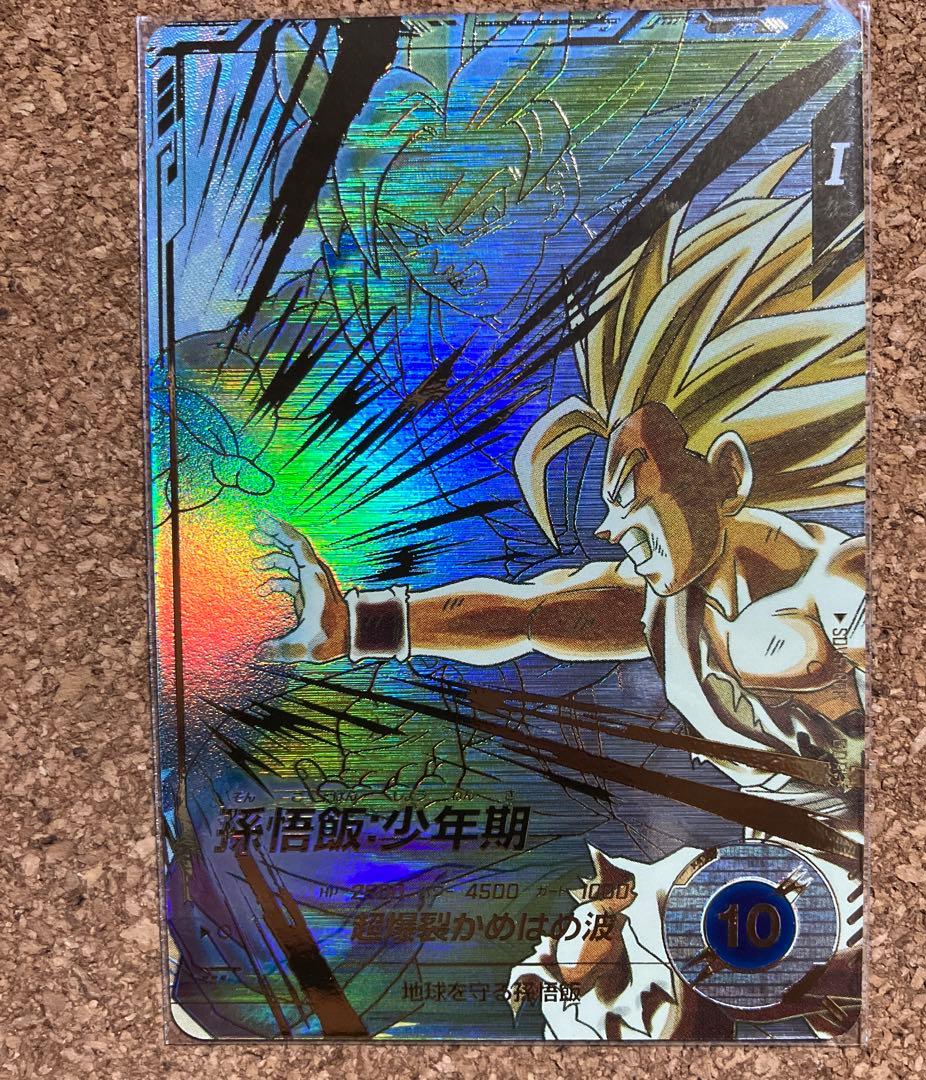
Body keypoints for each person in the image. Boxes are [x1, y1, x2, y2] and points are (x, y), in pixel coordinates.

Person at [254, 147, 867, 1037]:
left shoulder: (846, 592)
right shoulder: (668, 608)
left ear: (725, 476)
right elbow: (529, 614)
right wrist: (360, 625)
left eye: (630, 497)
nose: (614, 530)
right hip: (783, 898)